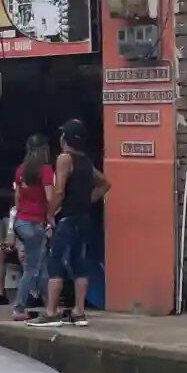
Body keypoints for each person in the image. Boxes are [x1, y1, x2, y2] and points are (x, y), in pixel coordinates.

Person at [36, 119, 109, 327]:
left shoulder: (64, 159)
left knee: (55, 262)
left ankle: (51, 313)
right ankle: (79, 312)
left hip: (67, 218)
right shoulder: (85, 161)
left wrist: (48, 213)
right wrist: (87, 199)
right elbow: (105, 183)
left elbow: (59, 191)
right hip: (84, 218)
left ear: (64, 138)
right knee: (80, 264)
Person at [9, 134, 54, 322]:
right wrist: (51, 219)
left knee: (41, 266)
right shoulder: (45, 170)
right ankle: (19, 308)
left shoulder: (20, 170)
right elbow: (50, 197)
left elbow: (17, 199)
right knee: (32, 268)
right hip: (35, 224)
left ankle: (50, 306)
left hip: (21, 223)